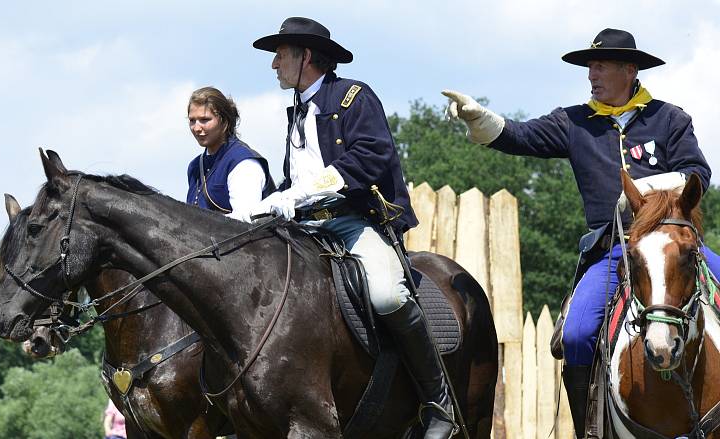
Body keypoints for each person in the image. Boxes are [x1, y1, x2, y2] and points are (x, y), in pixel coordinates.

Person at [443, 28, 719, 437]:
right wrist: (480, 119)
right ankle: (588, 429)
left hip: (674, 245)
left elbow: (698, 173)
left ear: (630, 69)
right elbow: (521, 136)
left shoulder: (670, 118)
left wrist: (646, 188)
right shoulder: (573, 122)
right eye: (590, 65)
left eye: (601, 65)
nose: (592, 73)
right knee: (576, 334)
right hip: (613, 250)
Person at [250, 17, 456, 439]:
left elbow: (368, 160)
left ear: (305, 56)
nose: (273, 64)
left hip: (353, 222)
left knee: (386, 295)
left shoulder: (353, 97)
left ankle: (440, 403)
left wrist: (298, 194)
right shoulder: (296, 112)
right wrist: (278, 199)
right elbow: (299, 181)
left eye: (280, 54)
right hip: (305, 229)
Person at [186, 86, 276, 221]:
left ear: (224, 121)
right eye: (192, 120)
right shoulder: (194, 166)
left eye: (205, 120)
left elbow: (243, 225)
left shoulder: (243, 163)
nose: (197, 128)